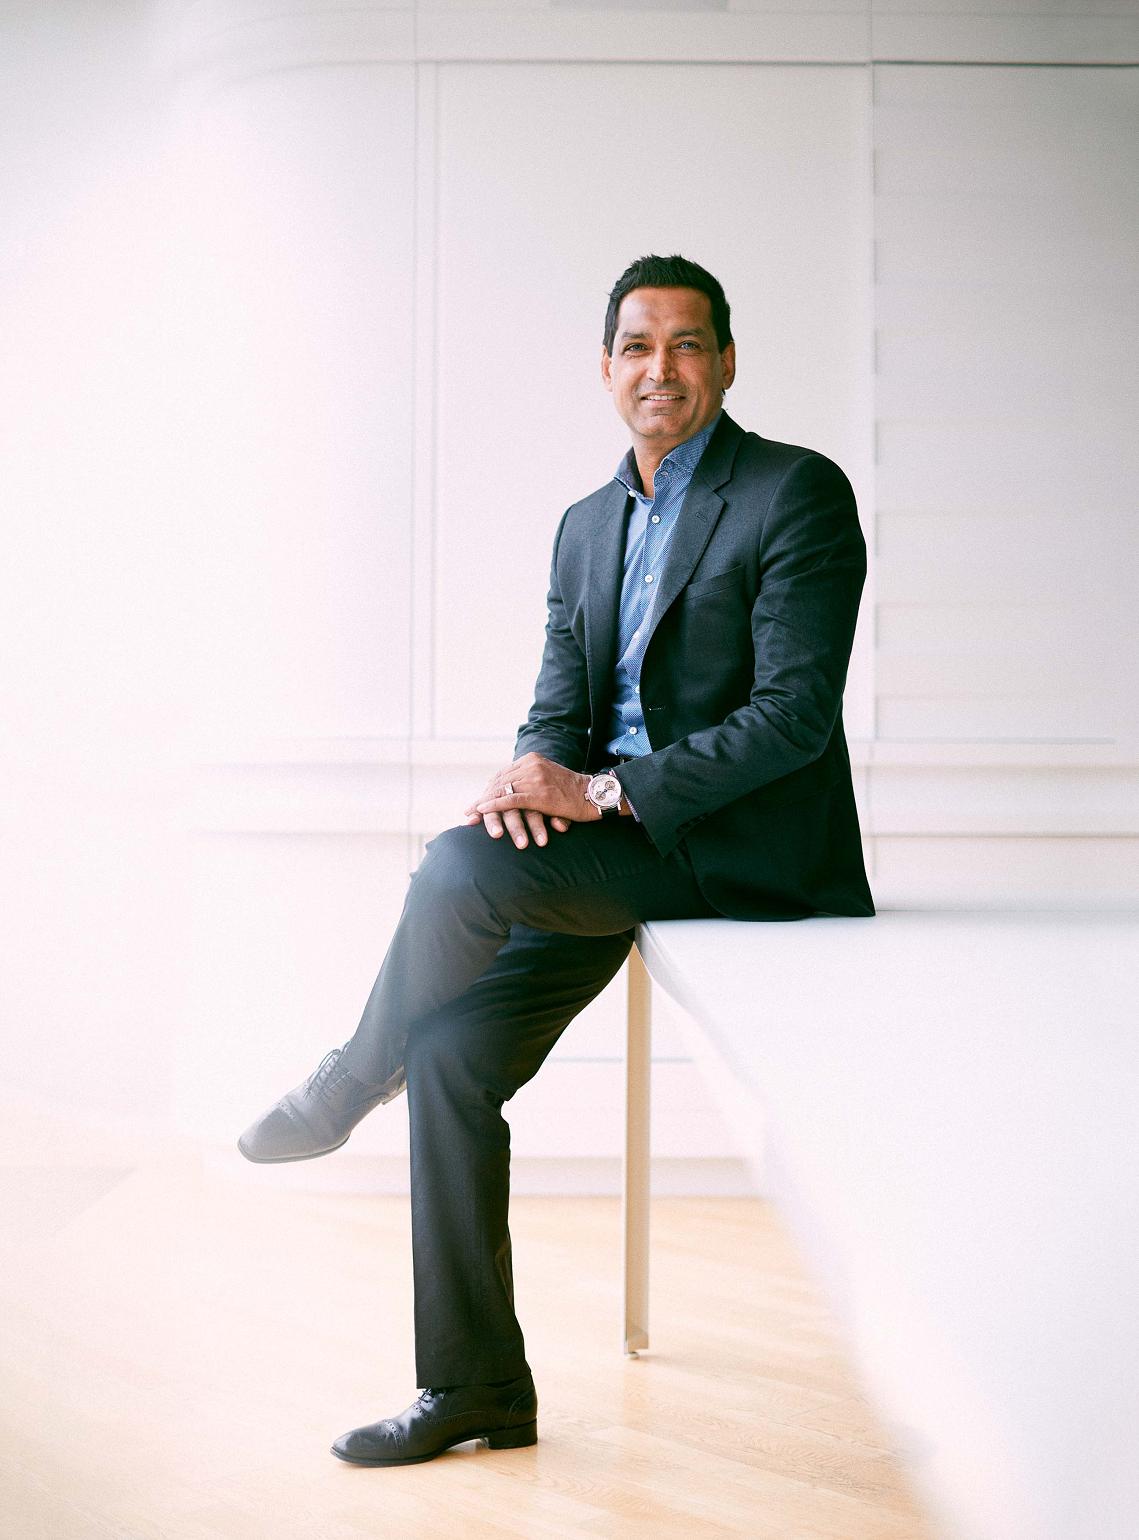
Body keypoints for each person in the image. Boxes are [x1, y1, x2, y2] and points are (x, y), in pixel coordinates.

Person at [238, 253, 874, 1466]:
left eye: (685, 344)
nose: (659, 367)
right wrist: (527, 782)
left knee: (453, 871)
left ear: (726, 362)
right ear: (605, 368)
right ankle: (475, 1386)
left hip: (735, 853)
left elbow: (793, 717)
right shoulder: (586, 526)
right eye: (637, 345)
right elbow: (555, 709)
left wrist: (597, 791)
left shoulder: (793, 491)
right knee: (450, 1051)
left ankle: (346, 1077)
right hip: (604, 847)